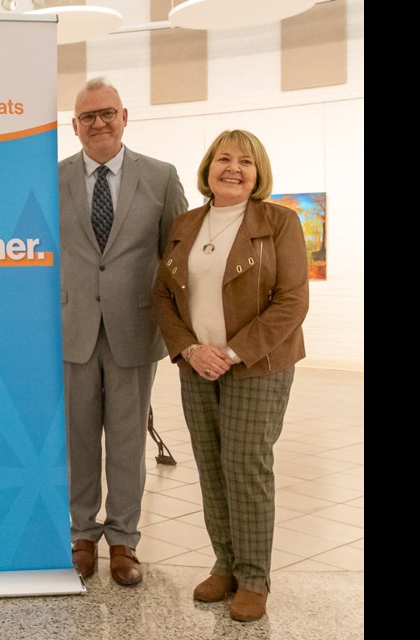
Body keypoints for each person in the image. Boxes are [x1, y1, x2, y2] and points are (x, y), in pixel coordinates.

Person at [153, 129, 309, 622]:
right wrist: (188, 349)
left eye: (245, 160)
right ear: (208, 167)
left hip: (257, 366)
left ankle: (255, 578)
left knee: (245, 467)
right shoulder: (186, 223)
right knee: (212, 467)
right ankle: (225, 564)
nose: (233, 168)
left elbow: (292, 301)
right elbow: (163, 296)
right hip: (197, 366)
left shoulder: (279, 222)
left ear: (258, 172)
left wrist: (234, 351)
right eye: (224, 158)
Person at [59, 77, 187, 586]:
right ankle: (83, 535)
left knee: (129, 440)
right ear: (75, 126)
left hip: (136, 329)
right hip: (74, 329)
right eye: (88, 117)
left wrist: (184, 333)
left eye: (107, 113)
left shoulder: (160, 176)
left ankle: (125, 541)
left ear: (125, 116)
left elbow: (176, 257)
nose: (98, 123)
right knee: (80, 437)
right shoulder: (53, 178)